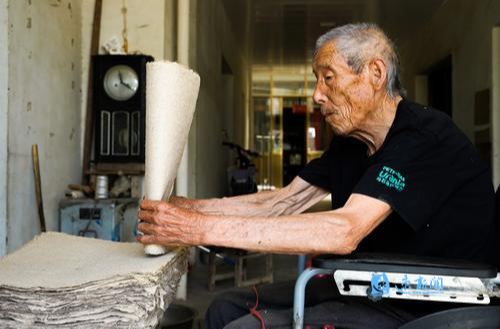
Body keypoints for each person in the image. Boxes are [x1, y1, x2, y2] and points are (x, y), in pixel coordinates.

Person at [138, 23, 499, 328]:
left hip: (425, 301)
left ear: (375, 74)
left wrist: (194, 229)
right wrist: (188, 209)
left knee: (245, 326)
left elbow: (343, 231)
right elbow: (283, 201)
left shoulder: (423, 136)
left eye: (328, 78)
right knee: (222, 308)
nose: (316, 95)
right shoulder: (352, 143)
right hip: (367, 284)